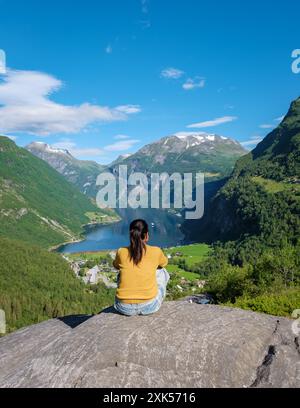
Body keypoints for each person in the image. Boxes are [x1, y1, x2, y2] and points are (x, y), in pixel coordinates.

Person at [113, 219, 170, 316]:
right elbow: (164, 263)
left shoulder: (121, 251)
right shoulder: (156, 251)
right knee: (161, 270)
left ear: (131, 235)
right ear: (147, 235)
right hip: (149, 306)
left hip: (123, 307)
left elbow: (115, 265)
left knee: (121, 272)